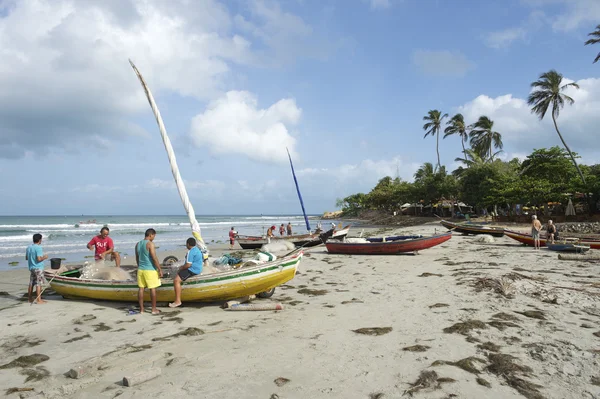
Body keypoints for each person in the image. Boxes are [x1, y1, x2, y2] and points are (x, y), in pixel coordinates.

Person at [169, 237, 203, 308]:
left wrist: (180, 268)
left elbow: (188, 265)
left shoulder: (191, 252)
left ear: (188, 244)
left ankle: (178, 301)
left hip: (192, 270)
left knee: (176, 280)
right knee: (179, 274)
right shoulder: (197, 249)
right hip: (198, 268)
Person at [135, 228, 163, 314]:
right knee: (152, 289)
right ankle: (153, 309)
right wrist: (159, 269)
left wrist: (139, 266)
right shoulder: (150, 244)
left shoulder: (138, 244)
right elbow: (154, 258)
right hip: (150, 270)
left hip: (140, 269)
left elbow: (137, 258)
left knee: (141, 289)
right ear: (151, 235)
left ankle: (141, 309)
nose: (154, 237)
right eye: (154, 236)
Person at [26, 233, 48, 304]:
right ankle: (39, 300)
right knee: (39, 284)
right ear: (39, 240)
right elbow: (39, 259)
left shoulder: (29, 247)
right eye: (41, 239)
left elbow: (26, 258)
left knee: (31, 283)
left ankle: (29, 298)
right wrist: (44, 257)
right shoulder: (38, 247)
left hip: (31, 267)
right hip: (38, 268)